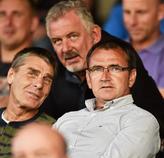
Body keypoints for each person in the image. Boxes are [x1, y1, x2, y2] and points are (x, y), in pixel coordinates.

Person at [45, 0, 164, 138]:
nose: (65, 48)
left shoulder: (120, 56)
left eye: (73, 36)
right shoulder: (51, 67)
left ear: (94, 34)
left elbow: (152, 122)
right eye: (57, 41)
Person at [54, 40, 160, 158]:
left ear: (131, 77)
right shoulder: (67, 118)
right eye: (97, 69)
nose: (105, 77)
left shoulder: (141, 121)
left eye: (115, 68)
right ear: (89, 78)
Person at [0, 47, 57, 158]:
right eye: (32, 73)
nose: (39, 84)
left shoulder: (52, 131)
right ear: (11, 76)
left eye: (47, 79)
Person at [0, 0, 39, 107]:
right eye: (2, 14)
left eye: (16, 14)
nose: (8, 22)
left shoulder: (47, 70)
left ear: (33, 23)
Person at [123, 0, 164, 97]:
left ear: (160, 11)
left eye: (141, 12)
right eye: (127, 12)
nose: (132, 22)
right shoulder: (112, 50)